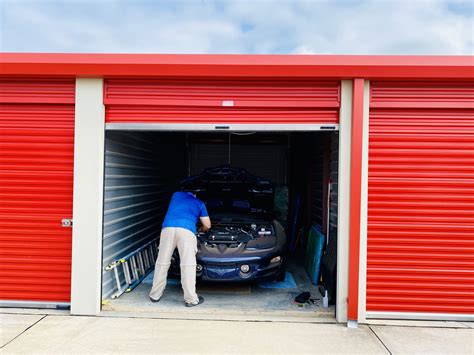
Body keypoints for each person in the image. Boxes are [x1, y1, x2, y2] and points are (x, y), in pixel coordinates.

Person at [149, 190, 211, 307]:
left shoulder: (176, 195)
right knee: (187, 265)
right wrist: (201, 230)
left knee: (162, 262)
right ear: (196, 195)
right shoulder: (199, 203)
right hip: (186, 231)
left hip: (168, 229)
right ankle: (191, 300)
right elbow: (207, 225)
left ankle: (155, 295)